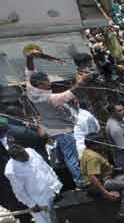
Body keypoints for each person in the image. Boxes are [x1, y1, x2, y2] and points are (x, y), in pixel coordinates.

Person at [23, 49, 86, 186]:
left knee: (63, 155)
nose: (49, 81)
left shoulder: (30, 88)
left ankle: (63, 171)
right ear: (40, 84)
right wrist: (80, 81)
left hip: (52, 128)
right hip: (64, 130)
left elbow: (29, 71)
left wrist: (29, 58)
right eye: (47, 80)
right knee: (72, 158)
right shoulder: (51, 98)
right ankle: (80, 181)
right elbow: (72, 92)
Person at [4, 144, 62, 223]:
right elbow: (19, 191)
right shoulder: (11, 170)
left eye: (25, 153)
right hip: (39, 200)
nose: (26, 156)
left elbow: (45, 166)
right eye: (22, 156)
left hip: (53, 188)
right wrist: (31, 204)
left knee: (61, 216)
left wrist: (56, 181)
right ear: (15, 158)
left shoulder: (31, 151)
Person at [80, 133, 124, 221]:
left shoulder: (88, 151)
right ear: (94, 145)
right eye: (101, 142)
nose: (103, 144)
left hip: (106, 178)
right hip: (100, 183)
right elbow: (92, 177)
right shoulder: (93, 157)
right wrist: (105, 193)